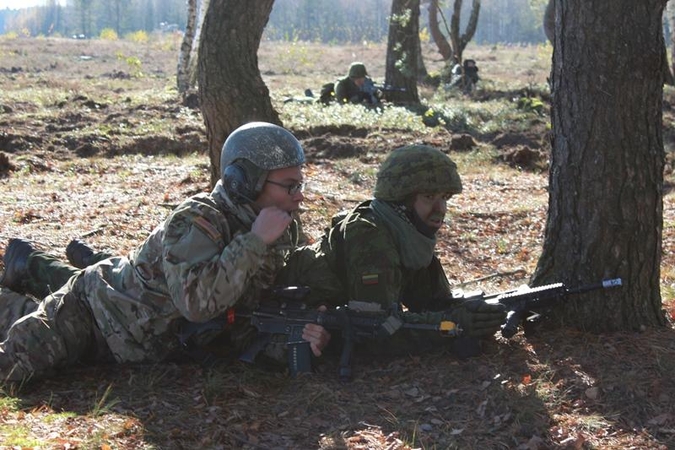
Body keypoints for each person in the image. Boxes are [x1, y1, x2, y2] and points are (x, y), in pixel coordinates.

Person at [0, 121, 331, 382]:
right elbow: (197, 305)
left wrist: (294, 340)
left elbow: (246, 315)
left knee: (24, 312)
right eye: (290, 186)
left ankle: (24, 276)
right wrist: (255, 241)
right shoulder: (197, 220)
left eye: (300, 185)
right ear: (245, 181)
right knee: (13, 368)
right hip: (96, 314)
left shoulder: (279, 228)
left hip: (137, 345)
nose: (299, 196)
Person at [276, 145, 506, 356]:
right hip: (286, 314)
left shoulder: (408, 233)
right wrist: (454, 326)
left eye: (445, 198)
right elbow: (378, 331)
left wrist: (477, 315)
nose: (441, 209)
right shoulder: (370, 236)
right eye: (429, 197)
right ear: (401, 200)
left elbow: (434, 305)